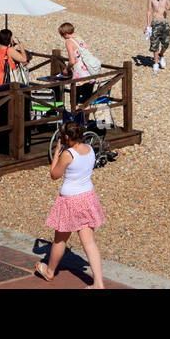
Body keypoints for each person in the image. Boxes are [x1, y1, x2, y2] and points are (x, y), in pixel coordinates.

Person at [34, 120, 105, 288]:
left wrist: (57, 152)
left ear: (66, 136)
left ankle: (50, 271)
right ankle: (98, 283)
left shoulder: (68, 154)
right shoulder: (89, 149)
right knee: (89, 242)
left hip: (70, 200)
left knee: (60, 240)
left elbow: (54, 174)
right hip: (87, 197)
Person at [145, 0, 170, 71]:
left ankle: (161, 54)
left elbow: (169, 5)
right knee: (155, 44)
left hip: (164, 22)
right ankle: (156, 63)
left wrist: (169, 7)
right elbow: (149, 11)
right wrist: (148, 26)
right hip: (155, 22)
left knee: (166, 42)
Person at [0, 28, 28, 93]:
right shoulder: (10, 50)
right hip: (8, 78)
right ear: (8, 38)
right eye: (11, 37)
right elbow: (24, 59)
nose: (12, 39)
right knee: (9, 101)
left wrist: (11, 46)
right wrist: (22, 48)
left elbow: (6, 57)